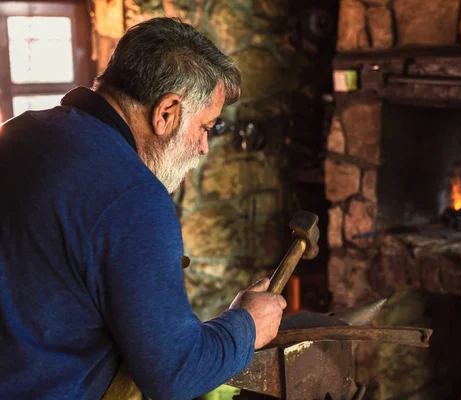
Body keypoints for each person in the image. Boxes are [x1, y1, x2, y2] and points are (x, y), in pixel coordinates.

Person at [0, 17, 286, 400]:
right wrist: (248, 324)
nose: (204, 148)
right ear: (166, 112)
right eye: (205, 127)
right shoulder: (132, 196)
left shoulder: (19, 132)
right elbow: (174, 376)